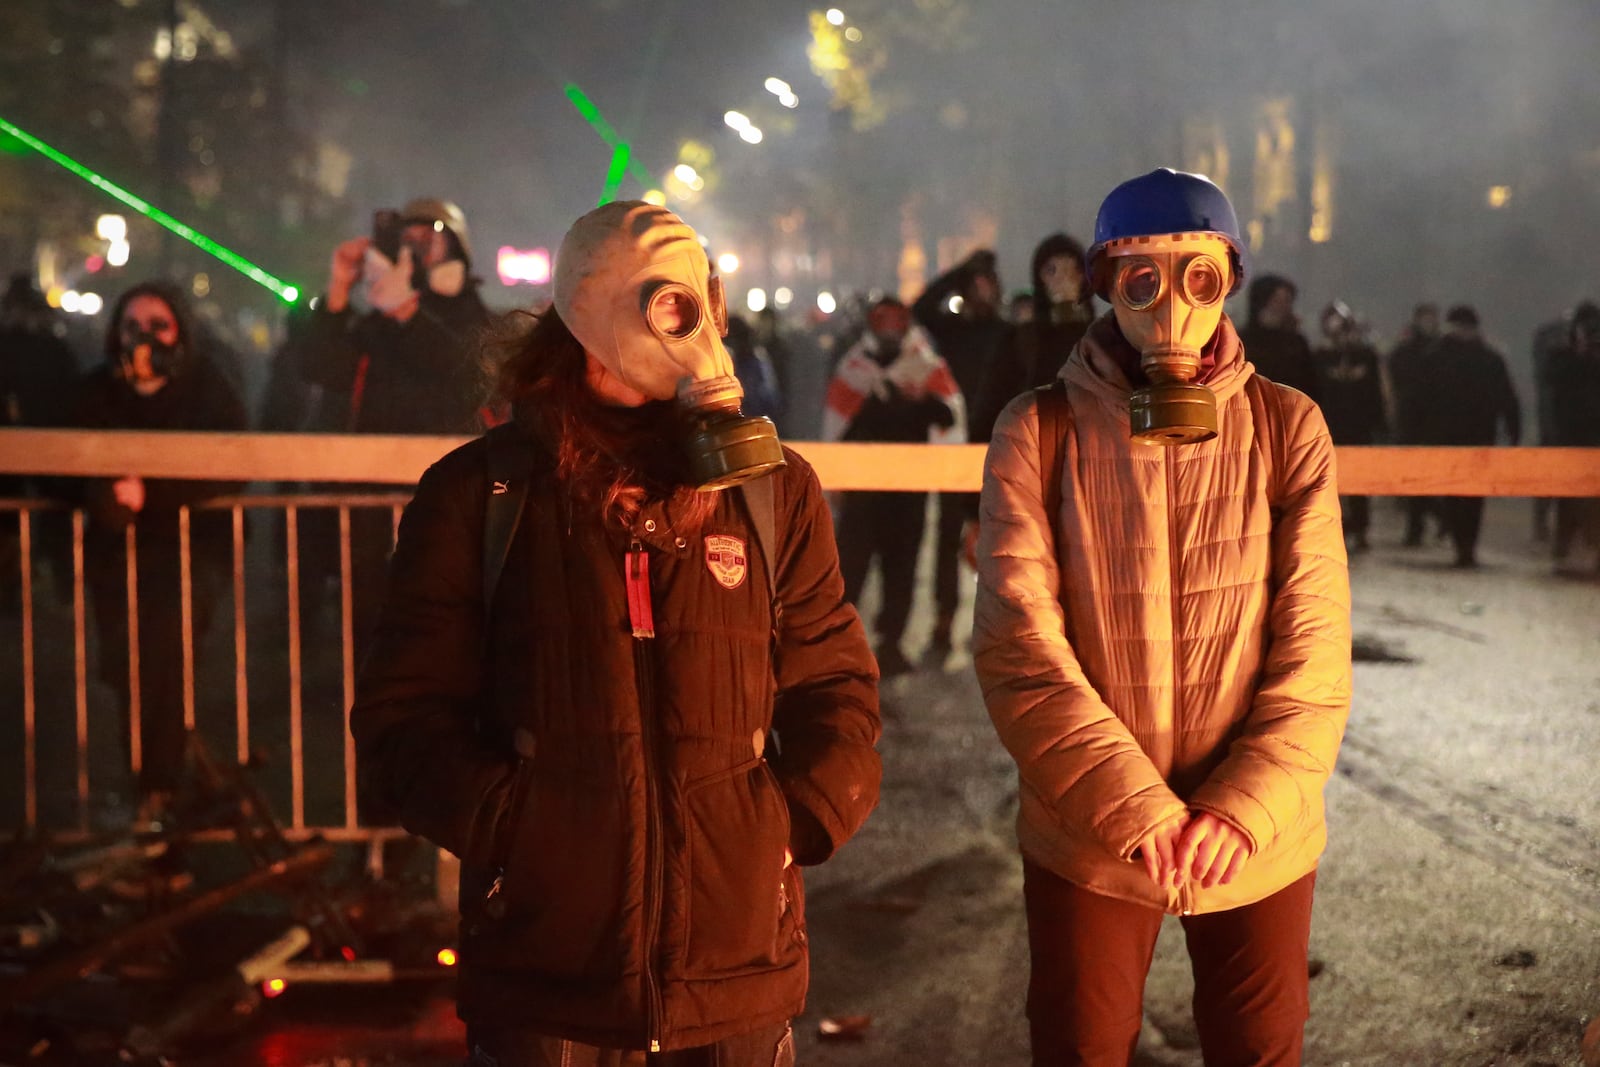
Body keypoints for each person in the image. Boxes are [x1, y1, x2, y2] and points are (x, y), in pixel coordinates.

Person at [350, 201, 882, 1066]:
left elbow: (837, 686)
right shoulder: (481, 495)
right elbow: (404, 715)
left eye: (705, 299)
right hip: (546, 979)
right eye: (672, 305)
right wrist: (519, 831)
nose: (702, 331)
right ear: (591, 313)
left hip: (735, 976)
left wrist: (786, 824)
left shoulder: (771, 489)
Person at [973, 168, 1351, 1066]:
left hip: (1256, 834)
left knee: (1259, 1044)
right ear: (1104, 282)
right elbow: (1021, 645)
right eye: (1143, 279)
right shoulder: (1039, 430)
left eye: (1199, 278)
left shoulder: (1286, 425)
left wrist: (1239, 810)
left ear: (1230, 280)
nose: (1172, 307)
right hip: (1095, 836)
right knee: (1082, 1042)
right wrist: (1133, 809)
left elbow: (1316, 645)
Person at [71, 281, 248, 821]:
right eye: (132, 326)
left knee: (167, 669)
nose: (144, 338)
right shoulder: (97, 391)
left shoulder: (207, 389)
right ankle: (152, 796)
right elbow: (58, 461)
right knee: (128, 674)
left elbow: (230, 464)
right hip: (116, 561)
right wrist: (101, 494)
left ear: (182, 332)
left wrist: (152, 494)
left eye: (159, 325)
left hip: (189, 558)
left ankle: (162, 797)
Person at [288, 197, 493, 662]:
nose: (417, 247)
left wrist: (408, 314)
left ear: (456, 245)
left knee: (445, 625)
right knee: (372, 626)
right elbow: (321, 366)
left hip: (447, 500)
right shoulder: (379, 321)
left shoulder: (470, 313)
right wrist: (340, 288)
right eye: (408, 237)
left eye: (430, 235)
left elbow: (469, 370)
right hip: (371, 506)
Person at [821, 297, 961, 677]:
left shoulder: (927, 366)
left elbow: (950, 415)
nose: (889, 331)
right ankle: (838, 645)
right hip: (862, 491)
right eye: (882, 323)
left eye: (895, 324)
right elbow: (837, 424)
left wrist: (920, 400)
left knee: (902, 569)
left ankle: (891, 644)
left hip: (907, 491)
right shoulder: (854, 368)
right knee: (851, 568)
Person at [912, 249, 1007, 659]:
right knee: (950, 538)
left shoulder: (1006, 334)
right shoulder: (951, 331)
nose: (981, 293)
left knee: (1001, 539)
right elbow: (920, 307)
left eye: (987, 285)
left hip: (997, 446)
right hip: (953, 445)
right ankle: (944, 622)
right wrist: (958, 271)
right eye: (975, 286)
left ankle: (997, 625)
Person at [1415, 304, 1521, 568]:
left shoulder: (1444, 357)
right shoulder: (1443, 358)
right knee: (1456, 493)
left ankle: (1466, 545)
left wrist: (1513, 428)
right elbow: (1419, 401)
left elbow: (1506, 398)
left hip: (1469, 435)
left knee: (1471, 495)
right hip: (1457, 435)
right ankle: (1463, 543)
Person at [1312, 301, 1387, 552]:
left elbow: (1375, 391)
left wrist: (1380, 423)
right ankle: (1333, 525)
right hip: (1328, 424)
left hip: (1358, 425)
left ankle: (1360, 527)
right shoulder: (1320, 357)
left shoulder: (1365, 356)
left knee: (1361, 480)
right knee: (1328, 479)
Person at [1543, 302, 1600, 574]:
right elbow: (1552, 380)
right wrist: (1578, 355)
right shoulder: (1560, 355)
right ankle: (1564, 547)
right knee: (1568, 496)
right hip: (1571, 434)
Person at [1387, 303, 1441, 547]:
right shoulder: (1407, 351)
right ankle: (1416, 526)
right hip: (1412, 420)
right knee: (1412, 477)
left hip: (1432, 421)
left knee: (1430, 477)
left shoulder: (1440, 349)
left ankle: (1428, 520)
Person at [1235, 273, 1319, 401]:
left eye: (1287, 300)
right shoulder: (1241, 342)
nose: (1284, 306)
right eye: (1277, 300)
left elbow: (1310, 385)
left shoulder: (1296, 343)